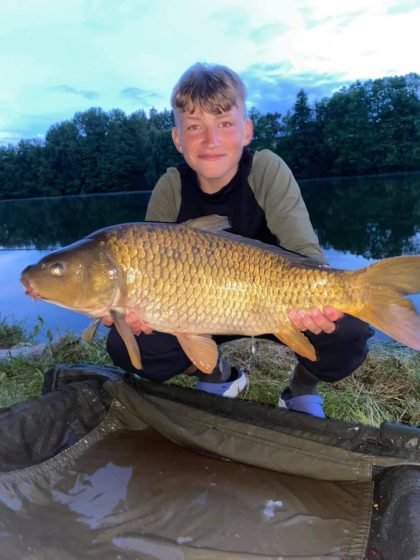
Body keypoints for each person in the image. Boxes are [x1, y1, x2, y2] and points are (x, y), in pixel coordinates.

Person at [106, 62, 373, 418]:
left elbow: (307, 256)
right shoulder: (170, 188)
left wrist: (316, 305)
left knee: (349, 331)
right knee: (127, 345)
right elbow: (147, 269)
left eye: (225, 124)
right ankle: (219, 375)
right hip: (196, 311)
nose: (211, 140)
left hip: (279, 305)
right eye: (194, 127)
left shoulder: (266, 170)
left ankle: (300, 387)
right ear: (177, 139)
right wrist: (137, 312)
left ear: (246, 131)